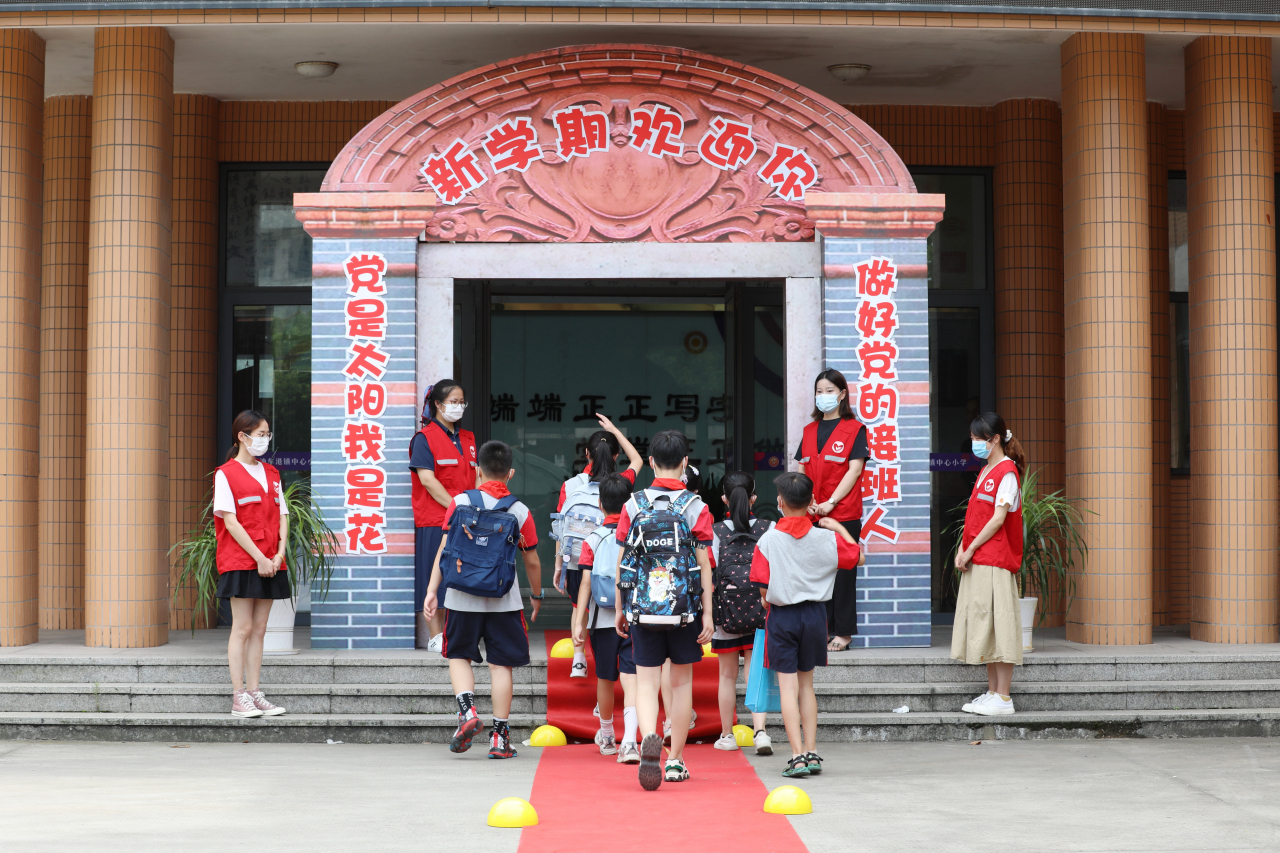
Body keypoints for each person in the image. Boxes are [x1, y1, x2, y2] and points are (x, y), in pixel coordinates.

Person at [424, 440, 544, 759]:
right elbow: (531, 560)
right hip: (505, 599)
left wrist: (433, 589)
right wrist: (536, 594)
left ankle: (467, 713)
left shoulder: (460, 501)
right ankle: (500, 738)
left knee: (458, 655)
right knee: (501, 665)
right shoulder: (519, 510)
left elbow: (445, 548)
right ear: (510, 473)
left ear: (478, 471)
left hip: (462, 597)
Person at [613, 430, 714, 790]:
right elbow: (704, 564)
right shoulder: (696, 507)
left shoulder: (632, 505)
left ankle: (647, 743)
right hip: (684, 610)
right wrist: (707, 614)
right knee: (681, 682)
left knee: (646, 684)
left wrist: (621, 608)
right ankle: (675, 761)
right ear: (685, 463)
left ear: (651, 462)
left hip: (643, 610)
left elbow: (623, 562)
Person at [750, 472, 863, 777]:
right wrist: (836, 524)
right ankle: (812, 752)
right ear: (812, 501)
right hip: (815, 616)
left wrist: (769, 598)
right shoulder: (826, 537)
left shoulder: (769, 539)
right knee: (806, 687)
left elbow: (762, 586)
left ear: (779, 503)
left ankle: (797, 756)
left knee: (787, 688)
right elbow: (858, 558)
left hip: (783, 617)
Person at [213, 410, 291, 719]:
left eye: (267, 433)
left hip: (272, 560)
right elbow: (230, 522)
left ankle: (256, 693)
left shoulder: (271, 473)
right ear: (242, 437)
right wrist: (259, 557)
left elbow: (283, 515)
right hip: (243, 561)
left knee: (260, 629)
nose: (265, 439)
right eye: (260, 434)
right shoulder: (226, 474)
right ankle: (238, 696)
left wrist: (279, 555)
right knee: (243, 628)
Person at [554, 414, 643, 678]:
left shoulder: (570, 485)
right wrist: (615, 430)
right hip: (612, 559)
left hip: (577, 557)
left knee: (578, 607)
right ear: (616, 455)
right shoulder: (622, 482)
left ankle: (579, 658)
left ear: (586, 454)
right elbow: (637, 459)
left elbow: (561, 528)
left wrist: (559, 565)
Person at [952, 412, 1026, 717]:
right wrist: (963, 548)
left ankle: (1004, 697)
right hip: (980, 557)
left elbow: (998, 520)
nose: (973, 443)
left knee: (1000, 625)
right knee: (986, 624)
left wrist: (969, 551)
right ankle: (993, 692)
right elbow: (975, 519)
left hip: (994, 560)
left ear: (994, 439)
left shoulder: (1007, 473)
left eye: (976, 438)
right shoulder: (986, 471)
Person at [795, 368, 869, 652]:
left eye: (829, 391)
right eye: (818, 391)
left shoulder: (855, 428)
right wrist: (807, 501)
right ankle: (821, 629)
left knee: (843, 573)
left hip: (844, 513)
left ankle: (844, 632)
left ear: (841, 394)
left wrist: (831, 503)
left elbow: (855, 469)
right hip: (812, 512)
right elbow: (801, 468)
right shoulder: (809, 430)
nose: (823, 396)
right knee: (816, 573)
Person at [572, 473, 640, 764]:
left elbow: (585, 584)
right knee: (632, 677)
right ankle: (631, 740)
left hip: (601, 620)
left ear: (600, 505)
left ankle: (608, 735)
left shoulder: (593, 539)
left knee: (605, 678)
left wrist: (578, 622)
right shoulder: (637, 536)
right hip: (634, 617)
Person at [410, 381, 477, 651]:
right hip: (435, 521)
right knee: (432, 576)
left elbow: (477, 476)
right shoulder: (424, 439)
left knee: (461, 577)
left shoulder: (469, 438)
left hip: (469, 521)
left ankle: (456, 635)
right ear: (437, 404)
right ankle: (435, 636)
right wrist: (456, 508)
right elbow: (428, 480)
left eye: (462, 402)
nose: (458, 407)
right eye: (453, 402)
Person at [710, 471, 772, 755]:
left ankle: (727, 736)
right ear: (754, 499)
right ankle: (760, 733)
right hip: (761, 610)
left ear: (724, 498)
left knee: (726, 676)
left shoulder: (716, 531)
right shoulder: (768, 528)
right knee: (755, 672)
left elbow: (709, 573)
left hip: (727, 614)